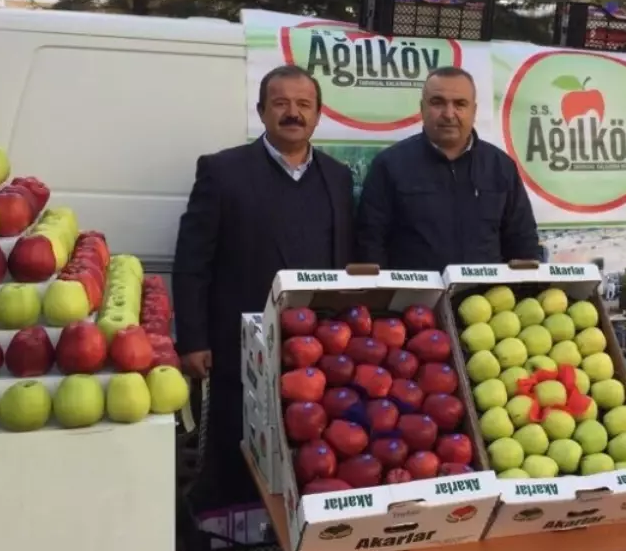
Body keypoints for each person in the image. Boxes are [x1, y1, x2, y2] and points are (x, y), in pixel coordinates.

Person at [174, 64, 354, 507]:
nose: (292, 113)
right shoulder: (222, 171)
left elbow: (346, 262)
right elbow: (193, 261)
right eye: (281, 103)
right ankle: (229, 550)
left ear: (317, 115)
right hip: (241, 350)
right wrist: (192, 340)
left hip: (316, 354)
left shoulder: (338, 177)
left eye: (303, 104)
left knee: (306, 462)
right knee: (237, 457)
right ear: (261, 110)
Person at [355, 66, 542, 271]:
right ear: (422, 108)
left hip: (487, 298)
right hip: (416, 300)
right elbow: (370, 244)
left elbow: (523, 242)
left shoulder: (501, 167)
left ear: (474, 110)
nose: (449, 114)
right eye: (438, 103)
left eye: (460, 104)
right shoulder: (389, 165)